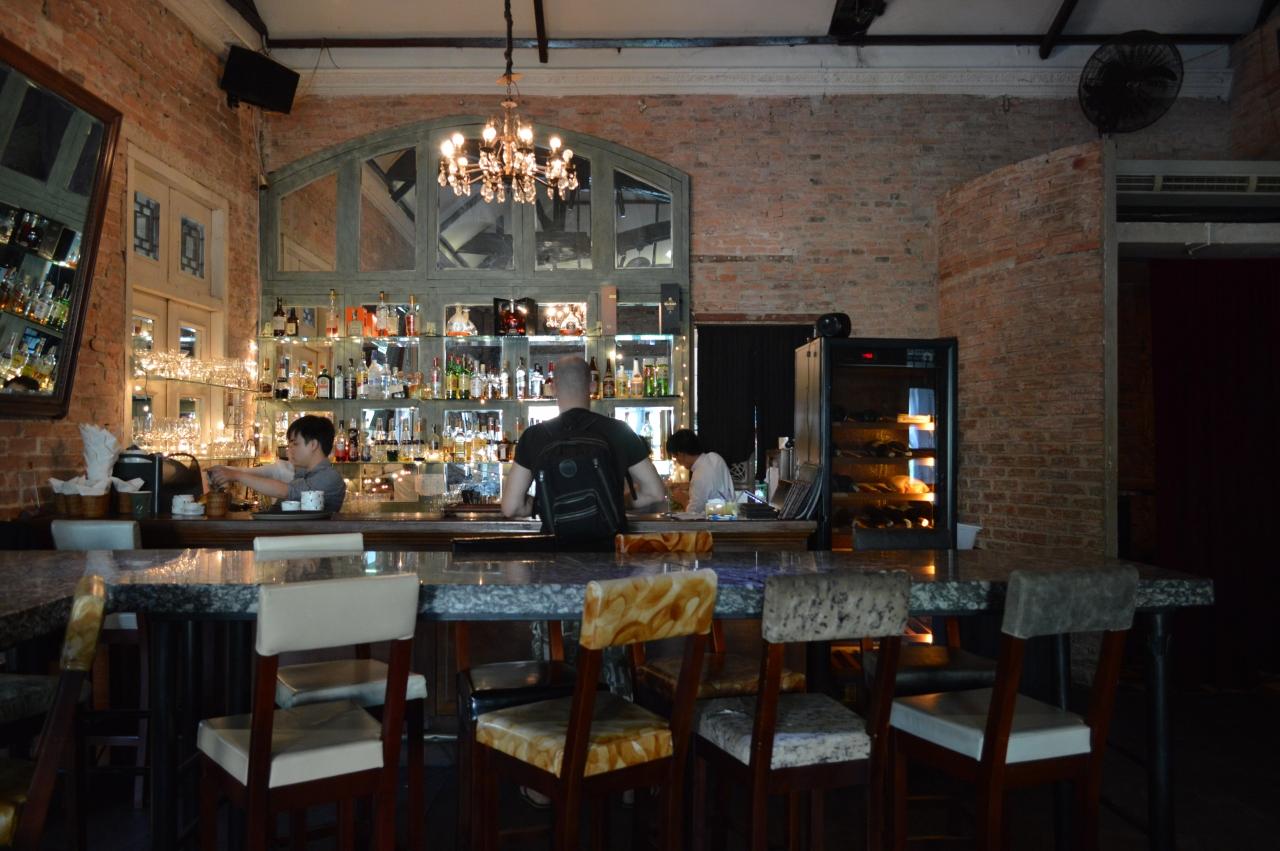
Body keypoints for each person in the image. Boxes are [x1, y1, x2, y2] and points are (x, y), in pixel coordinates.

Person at [501, 355, 666, 520]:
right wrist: (615, 501)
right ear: (593, 386)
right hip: (609, 536)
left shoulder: (534, 435)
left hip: (555, 536)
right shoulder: (620, 431)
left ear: (552, 388)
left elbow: (511, 507)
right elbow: (654, 493)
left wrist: (545, 504)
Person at [210, 415, 346, 512]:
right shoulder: (305, 474)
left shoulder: (329, 476)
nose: (289, 449)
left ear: (313, 445)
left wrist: (237, 475)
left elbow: (287, 492)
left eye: (295, 444)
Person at [666, 428, 735, 514]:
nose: (678, 462)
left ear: (681, 454)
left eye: (675, 457)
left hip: (717, 519)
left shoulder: (699, 476)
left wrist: (682, 499)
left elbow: (693, 514)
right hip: (731, 513)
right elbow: (713, 487)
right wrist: (689, 485)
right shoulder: (715, 457)